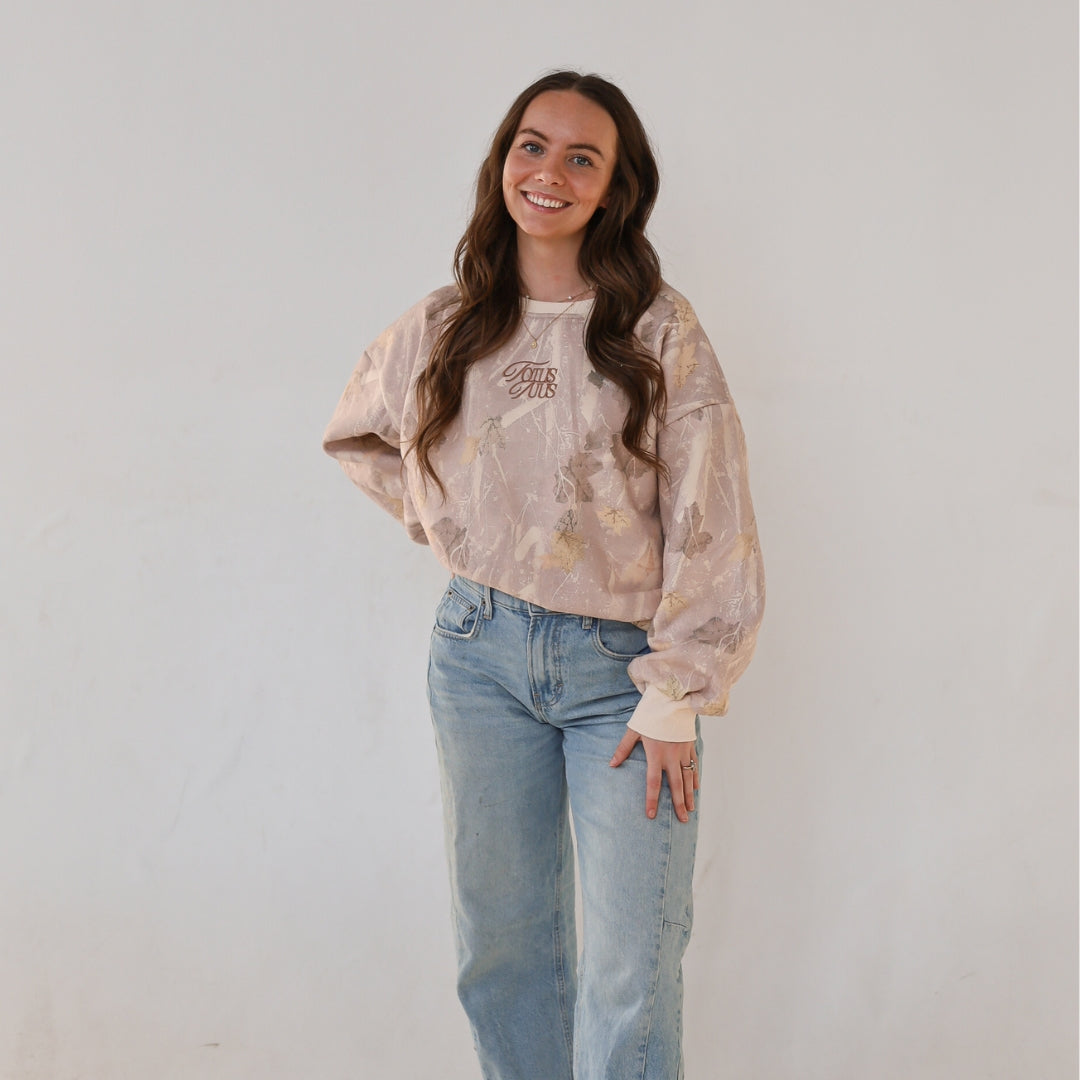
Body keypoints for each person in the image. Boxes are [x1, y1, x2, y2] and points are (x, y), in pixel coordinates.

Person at [323, 70, 765, 1080]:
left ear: (614, 188)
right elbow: (358, 433)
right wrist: (453, 526)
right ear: (503, 161)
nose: (549, 172)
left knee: (631, 968)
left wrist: (677, 691)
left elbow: (714, 510)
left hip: (625, 675)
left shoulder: (658, 330)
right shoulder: (448, 323)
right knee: (502, 953)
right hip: (477, 657)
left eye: (581, 157)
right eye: (532, 145)